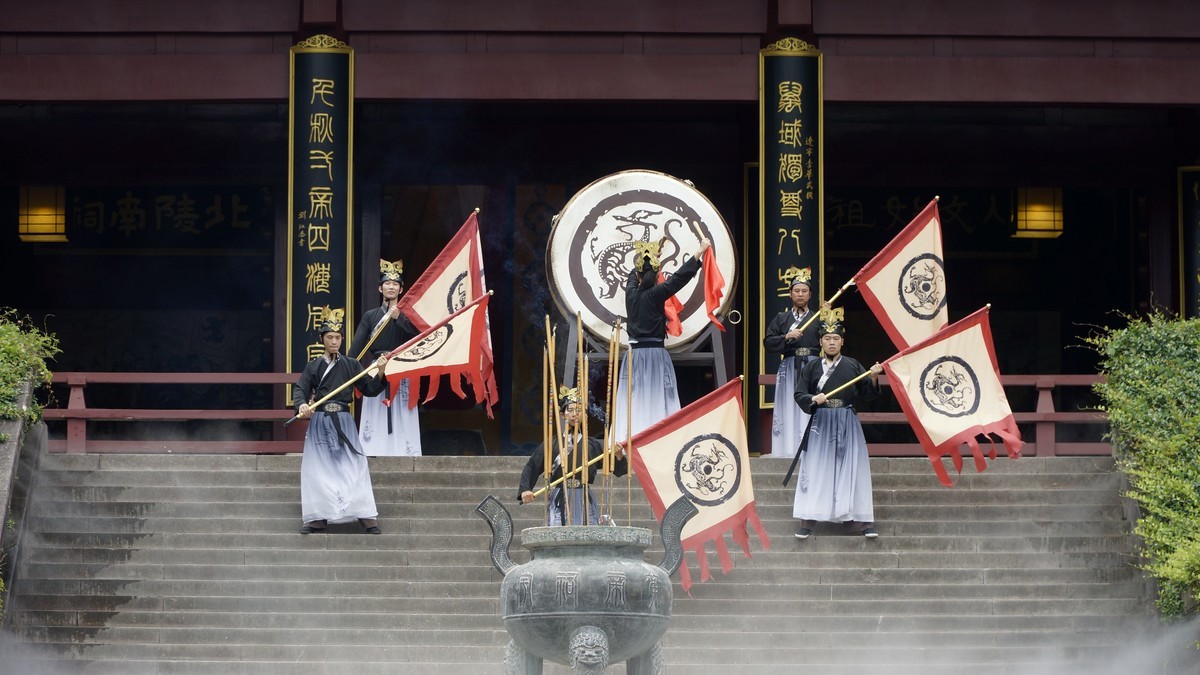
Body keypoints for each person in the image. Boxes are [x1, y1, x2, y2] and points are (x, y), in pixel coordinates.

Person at [294, 306, 389, 535]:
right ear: (322, 339)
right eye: (330, 337)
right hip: (322, 421)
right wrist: (302, 405)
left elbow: (371, 389)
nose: (334, 341)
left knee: (355, 466)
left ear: (342, 339)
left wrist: (382, 371)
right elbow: (300, 389)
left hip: (344, 421)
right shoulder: (314, 366)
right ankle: (318, 518)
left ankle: (366, 517)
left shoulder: (351, 365)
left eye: (337, 337)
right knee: (319, 469)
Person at [791, 309, 883, 539]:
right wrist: (813, 399)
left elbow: (868, 395)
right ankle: (808, 520)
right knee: (816, 468)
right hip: (821, 422)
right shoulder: (811, 367)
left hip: (846, 421)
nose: (831, 342)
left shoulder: (853, 365)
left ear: (842, 341)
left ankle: (860, 520)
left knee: (852, 467)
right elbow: (799, 393)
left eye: (836, 339)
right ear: (820, 341)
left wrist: (872, 376)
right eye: (827, 339)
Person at [612, 236, 711, 438]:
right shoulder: (658, 293)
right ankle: (660, 438)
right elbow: (679, 278)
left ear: (638, 275)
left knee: (634, 399)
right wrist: (700, 250)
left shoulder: (630, 293)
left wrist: (648, 259)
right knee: (659, 398)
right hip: (656, 354)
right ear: (657, 274)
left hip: (635, 356)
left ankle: (629, 438)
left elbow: (634, 275)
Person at [518, 386, 628, 526]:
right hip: (559, 495)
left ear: (585, 415)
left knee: (587, 534)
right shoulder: (552, 443)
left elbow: (618, 468)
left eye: (579, 410)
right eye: (570, 410)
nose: (575, 414)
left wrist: (618, 455)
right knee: (558, 533)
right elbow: (532, 466)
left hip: (583, 496)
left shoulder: (593, 444)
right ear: (563, 414)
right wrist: (525, 489)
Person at [346, 259, 422, 456]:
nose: (391, 287)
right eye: (387, 283)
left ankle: (405, 451)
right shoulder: (371, 316)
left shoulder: (408, 315)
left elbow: (420, 339)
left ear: (401, 289)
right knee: (376, 410)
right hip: (376, 368)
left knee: (403, 410)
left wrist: (400, 319)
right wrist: (345, 368)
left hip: (402, 366)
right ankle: (373, 449)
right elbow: (356, 348)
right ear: (380, 288)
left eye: (395, 283)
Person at [763, 267, 822, 459]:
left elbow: (833, 339)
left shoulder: (817, 317)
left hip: (812, 366)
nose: (800, 294)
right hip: (789, 366)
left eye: (804, 291)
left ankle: (811, 448)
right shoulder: (782, 318)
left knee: (811, 402)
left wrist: (828, 317)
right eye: (796, 291)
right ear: (790, 294)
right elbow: (768, 342)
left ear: (810, 294)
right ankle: (786, 448)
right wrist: (786, 336)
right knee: (788, 403)